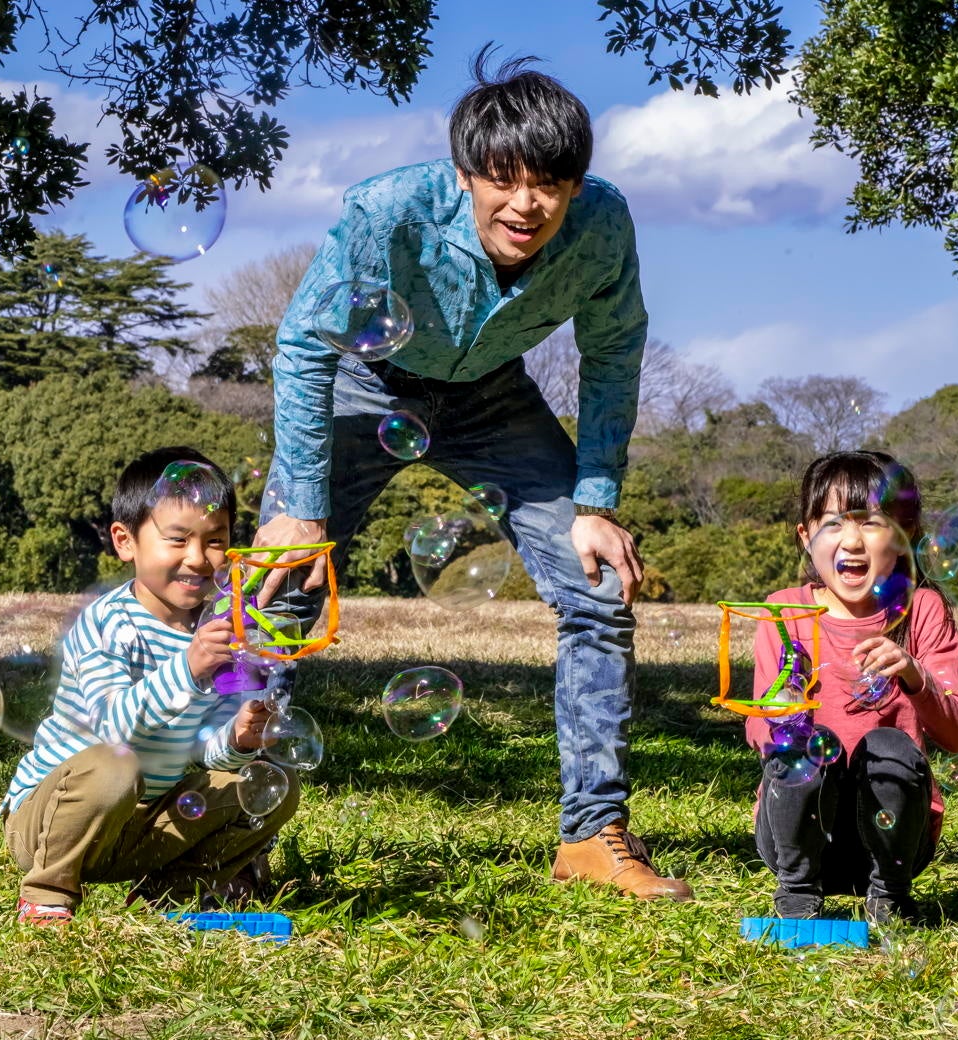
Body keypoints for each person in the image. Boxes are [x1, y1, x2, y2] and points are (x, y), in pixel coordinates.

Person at [255, 48, 689, 900]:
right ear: (465, 174)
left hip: (493, 397)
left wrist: (595, 499)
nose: (526, 204)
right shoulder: (385, 210)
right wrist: (301, 507)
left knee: (599, 587)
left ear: (576, 187)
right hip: (366, 384)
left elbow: (613, 353)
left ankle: (592, 836)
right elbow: (304, 344)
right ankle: (230, 828)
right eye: (504, 179)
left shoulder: (605, 225)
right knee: (281, 583)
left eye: (550, 185)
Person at [2, 447, 300, 925]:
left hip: (142, 825)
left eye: (216, 540)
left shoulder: (220, 630)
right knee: (114, 764)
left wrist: (239, 739)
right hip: (52, 824)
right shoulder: (109, 623)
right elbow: (112, 727)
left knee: (271, 780)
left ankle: (171, 893)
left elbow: (206, 753)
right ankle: (48, 893)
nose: (198, 559)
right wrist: (188, 667)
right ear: (125, 541)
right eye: (177, 539)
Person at [746, 451, 958, 922]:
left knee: (890, 745)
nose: (851, 541)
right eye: (832, 523)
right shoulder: (784, 611)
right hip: (795, 840)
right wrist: (785, 708)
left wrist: (914, 675)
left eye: (870, 522)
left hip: (896, 846)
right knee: (805, 745)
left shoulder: (923, 610)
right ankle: (797, 895)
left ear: (903, 535)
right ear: (806, 537)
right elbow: (760, 736)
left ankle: (889, 898)